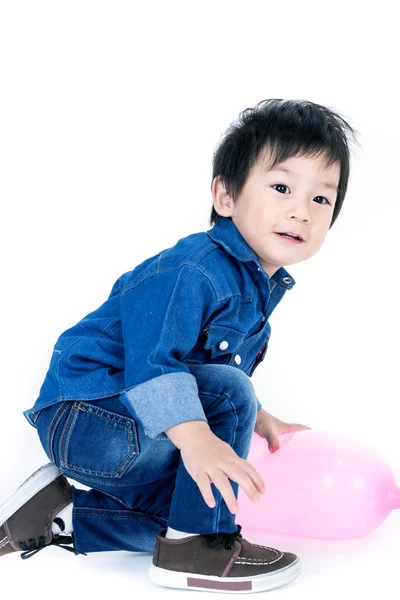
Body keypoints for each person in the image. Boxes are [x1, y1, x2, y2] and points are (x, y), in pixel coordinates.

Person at [0, 98, 360, 593]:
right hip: (89, 418)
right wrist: (209, 430)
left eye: (322, 200)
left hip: (122, 431)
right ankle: (197, 551)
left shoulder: (255, 291)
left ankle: (62, 517)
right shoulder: (194, 269)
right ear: (225, 195)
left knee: (187, 510)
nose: (301, 211)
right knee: (220, 441)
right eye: (281, 188)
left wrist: (258, 415)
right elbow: (155, 366)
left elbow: (201, 371)